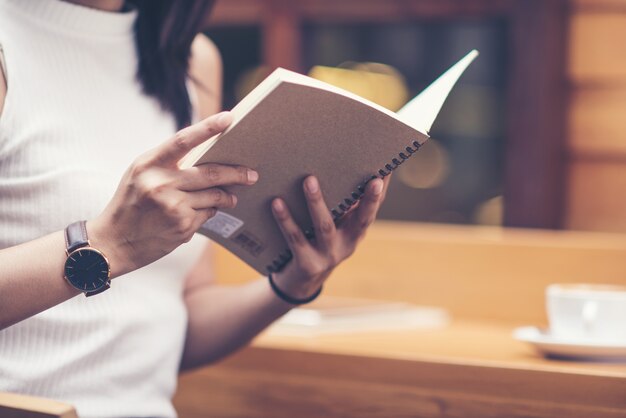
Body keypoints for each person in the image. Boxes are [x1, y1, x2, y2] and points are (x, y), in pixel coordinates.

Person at [0, 0, 387, 417]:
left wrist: (292, 285)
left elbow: (177, 318)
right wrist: (110, 244)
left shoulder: (189, 58)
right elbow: (117, 246)